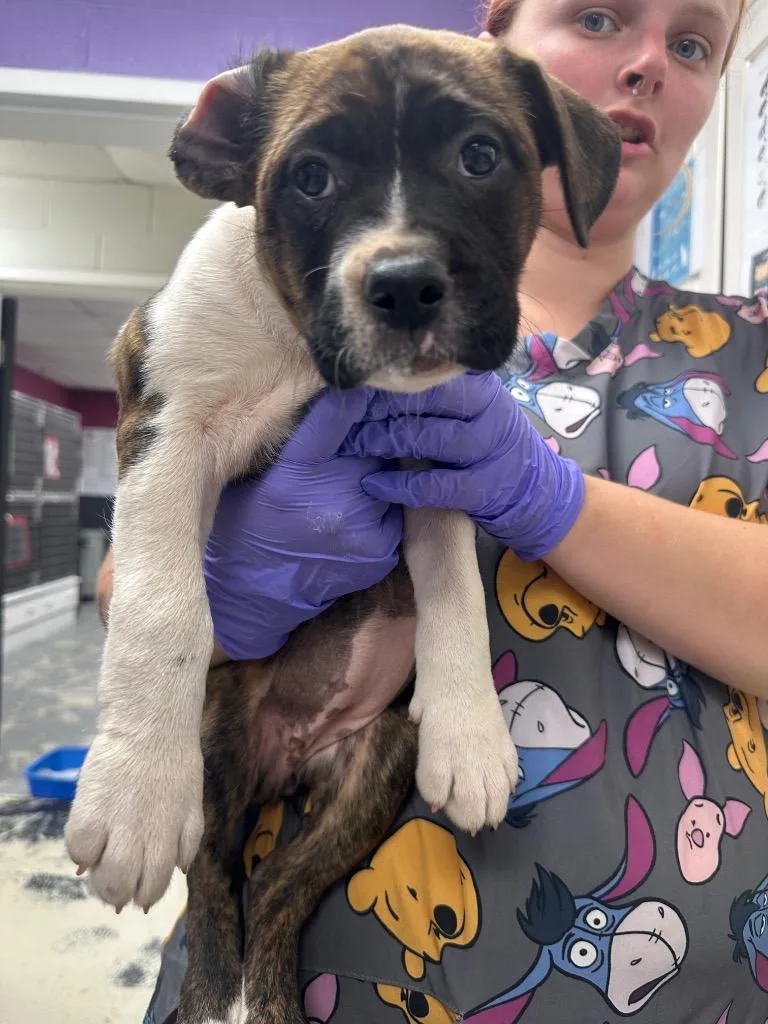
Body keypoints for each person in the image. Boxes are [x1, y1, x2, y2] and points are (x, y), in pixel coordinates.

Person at [132, 1, 768, 1020]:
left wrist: (549, 498)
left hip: (696, 982)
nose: (648, 61)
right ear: (494, 43)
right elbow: (141, 563)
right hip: (316, 973)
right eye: (600, 15)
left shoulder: (748, 349)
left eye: (693, 43)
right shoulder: (294, 315)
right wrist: (232, 584)